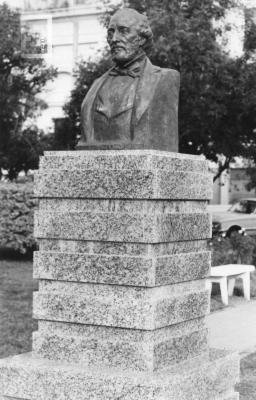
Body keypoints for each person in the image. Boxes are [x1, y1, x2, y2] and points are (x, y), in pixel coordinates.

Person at [77, 8, 180, 151]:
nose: (114, 39)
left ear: (141, 38)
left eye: (123, 31)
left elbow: (166, 140)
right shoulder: (97, 84)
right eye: (111, 33)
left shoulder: (165, 78)